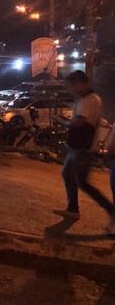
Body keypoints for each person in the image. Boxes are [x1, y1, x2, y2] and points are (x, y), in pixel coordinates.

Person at [53, 70, 114, 233]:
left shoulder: (91, 99)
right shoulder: (82, 99)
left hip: (84, 149)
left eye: (71, 86)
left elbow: (79, 122)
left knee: (83, 182)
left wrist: (62, 121)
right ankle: (72, 209)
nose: (70, 89)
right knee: (68, 174)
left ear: (81, 83)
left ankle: (111, 210)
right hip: (76, 147)